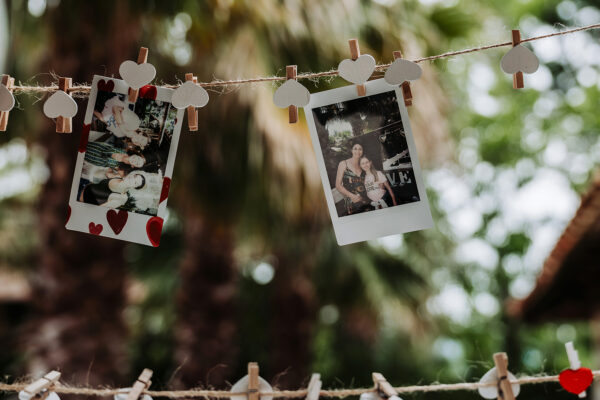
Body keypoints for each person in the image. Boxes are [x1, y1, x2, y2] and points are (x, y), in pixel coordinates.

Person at [335, 142, 369, 215]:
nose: (357, 151)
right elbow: (338, 185)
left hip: (365, 201)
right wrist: (352, 196)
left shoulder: (363, 165)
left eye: (360, 149)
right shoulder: (344, 164)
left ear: (363, 151)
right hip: (351, 203)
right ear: (351, 150)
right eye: (355, 149)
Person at [80, 173, 146, 209]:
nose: (132, 178)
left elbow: (98, 210)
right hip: (84, 183)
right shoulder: (118, 176)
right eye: (135, 176)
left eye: (135, 183)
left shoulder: (122, 197)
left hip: (80, 198)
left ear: (134, 187)